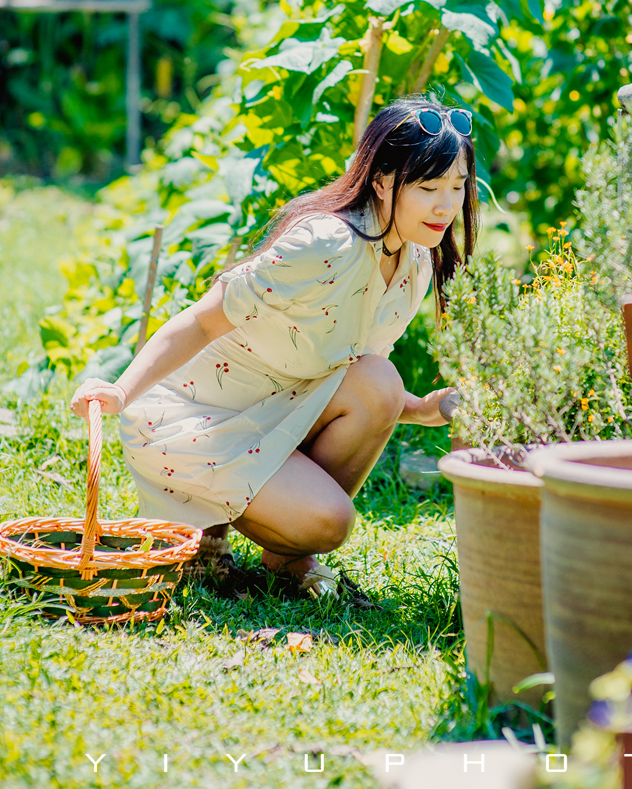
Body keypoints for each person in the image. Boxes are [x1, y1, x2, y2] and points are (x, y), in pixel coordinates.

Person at [69, 97, 478, 597]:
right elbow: (202, 320)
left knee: (379, 378)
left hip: (275, 413)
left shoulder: (413, 262)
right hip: (198, 419)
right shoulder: (327, 245)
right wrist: (121, 390)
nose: (446, 206)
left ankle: (284, 558)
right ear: (381, 180)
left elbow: (359, 381)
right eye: (429, 188)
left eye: (457, 187)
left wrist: (428, 409)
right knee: (330, 521)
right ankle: (222, 536)